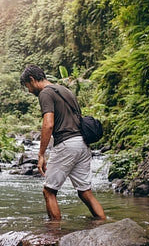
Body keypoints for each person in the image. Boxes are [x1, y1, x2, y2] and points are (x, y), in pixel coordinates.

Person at [20, 65, 106, 220]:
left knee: (49, 191)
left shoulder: (45, 93)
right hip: (82, 144)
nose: (29, 91)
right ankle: (104, 223)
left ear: (32, 80)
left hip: (66, 144)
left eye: (28, 86)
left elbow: (48, 124)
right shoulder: (65, 90)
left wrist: (41, 155)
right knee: (85, 192)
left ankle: (55, 235)